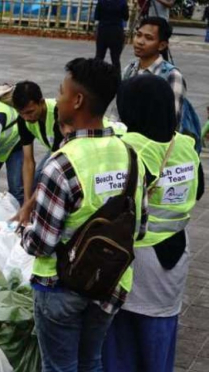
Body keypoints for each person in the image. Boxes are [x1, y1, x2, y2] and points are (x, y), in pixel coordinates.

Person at [21, 58, 148, 371]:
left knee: (60, 367)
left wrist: (24, 229)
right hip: (111, 284)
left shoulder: (61, 165)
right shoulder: (132, 155)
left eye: (61, 91)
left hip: (60, 287)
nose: (58, 98)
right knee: (91, 361)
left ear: (77, 100)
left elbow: (42, 244)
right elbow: (140, 229)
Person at [102, 75, 203, 372]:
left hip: (136, 258)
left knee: (121, 340)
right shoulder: (185, 145)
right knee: (161, 333)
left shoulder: (128, 147)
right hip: (176, 253)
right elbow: (198, 191)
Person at [10, 81, 64, 224]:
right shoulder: (23, 120)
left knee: (49, 185)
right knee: (34, 186)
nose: (27, 117)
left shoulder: (60, 115)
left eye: (30, 112)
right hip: (55, 149)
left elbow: (56, 166)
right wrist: (27, 202)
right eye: (22, 113)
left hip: (69, 150)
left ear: (41, 102)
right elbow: (28, 161)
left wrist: (29, 206)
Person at [123, 17, 184, 124]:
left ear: (162, 45)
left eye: (148, 38)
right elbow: (117, 113)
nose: (140, 42)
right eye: (138, 35)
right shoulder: (129, 70)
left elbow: (172, 121)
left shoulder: (172, 76)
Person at [94, 0, 129, 73]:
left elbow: (97, 16)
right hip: (116, 31)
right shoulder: (122, 2)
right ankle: (117, 79)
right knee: (115, 59)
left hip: (103, 30)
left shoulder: (101, 1)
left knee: (99, 56)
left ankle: (95, 76)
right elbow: (126, 17)